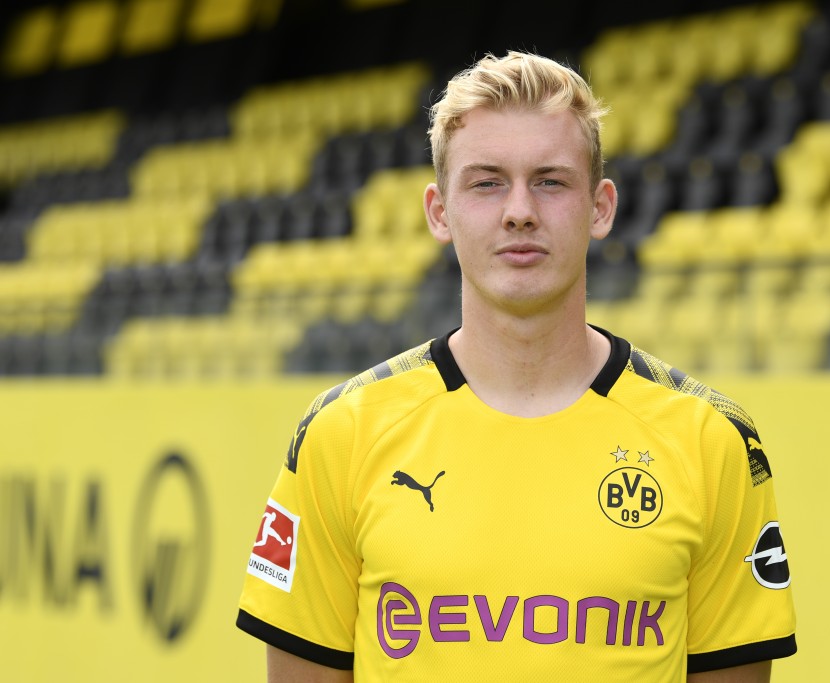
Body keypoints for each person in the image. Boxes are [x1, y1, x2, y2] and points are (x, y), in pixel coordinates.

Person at [236, 50, 797, 682]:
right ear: (439, 211)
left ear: (601, 207)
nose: (520, 210)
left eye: (551, 181)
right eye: (487, 182)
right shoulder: (341, 435)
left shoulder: (711, 441)